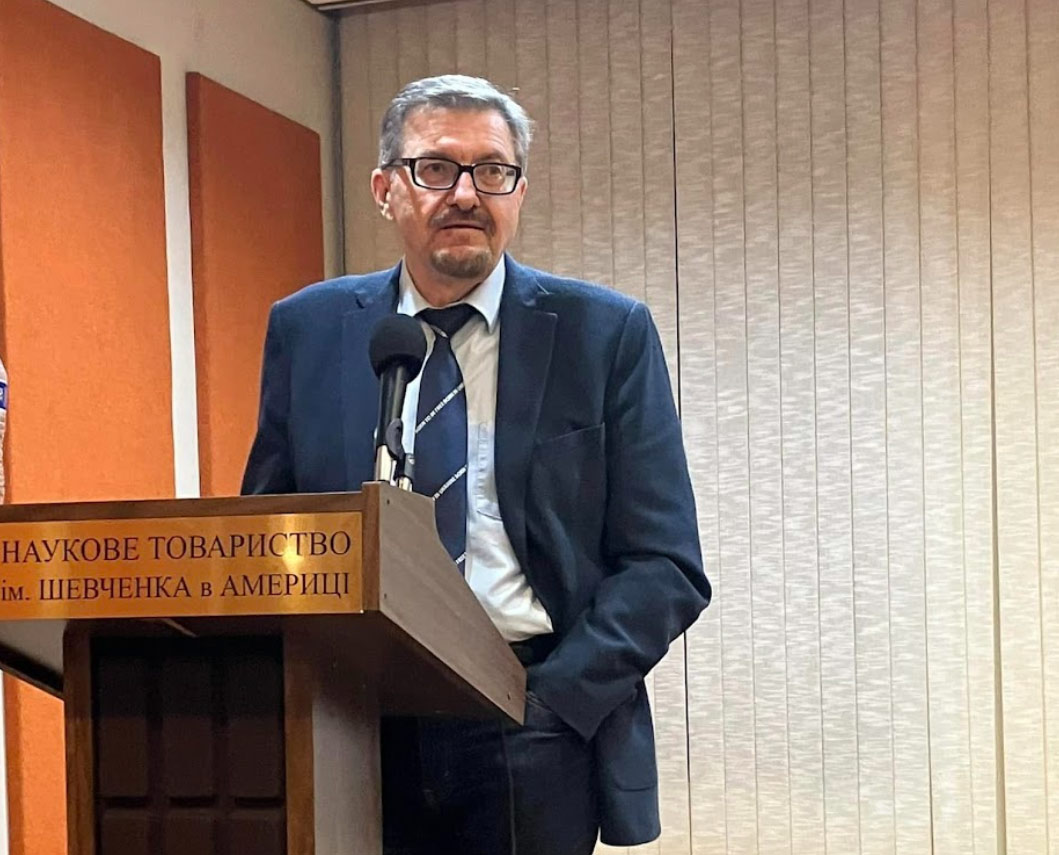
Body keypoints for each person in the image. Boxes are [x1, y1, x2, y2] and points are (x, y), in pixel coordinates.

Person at [242, 74, 710, 855]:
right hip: (352, 725)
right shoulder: (309, 329)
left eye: (491, 171)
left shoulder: (603, 334)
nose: (465, 193)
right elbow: (270, 531)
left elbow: (666, 563)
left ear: (518, 192)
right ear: (385, 189)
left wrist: (555, 702)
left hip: (530, 723)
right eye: (435, 168)